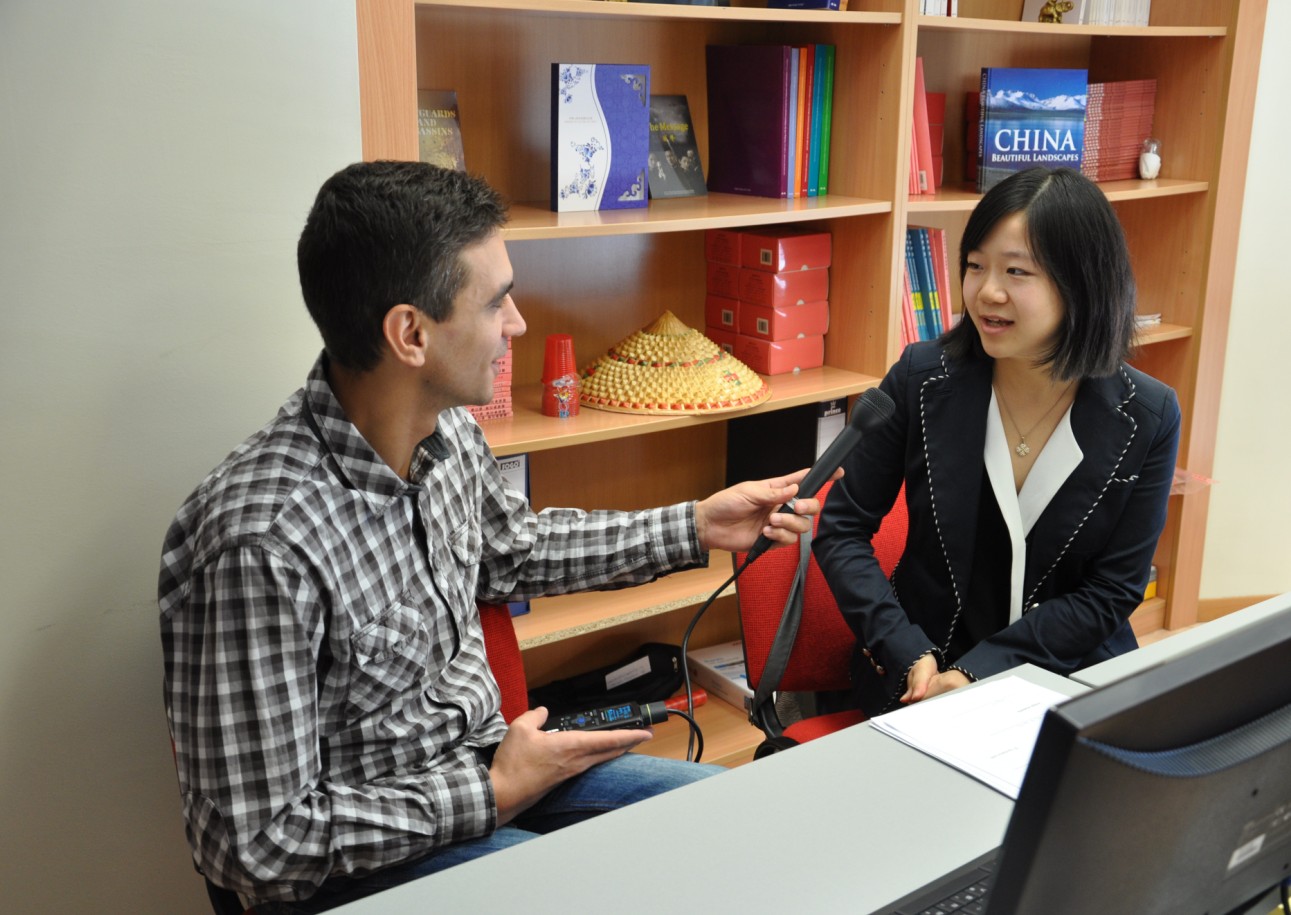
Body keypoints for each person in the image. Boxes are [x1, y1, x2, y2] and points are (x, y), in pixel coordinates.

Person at [159, 160, 827, 912]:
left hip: (496, 768)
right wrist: (489, 793)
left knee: (732, 820)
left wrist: (697, 525)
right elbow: (257, 846)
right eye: (495, 302)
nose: (517, 324)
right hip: (361, 861)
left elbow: (512, 551)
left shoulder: (447, 434)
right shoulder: (260, 544)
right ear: (410, 334)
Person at [814, 166, 1181, 718]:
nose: (987, 291)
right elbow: (842, 528)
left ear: (1082, 282)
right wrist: (905, 646)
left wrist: (980, 672)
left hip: (1064, 680)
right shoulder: (921, 378)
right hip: (921, 676)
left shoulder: (1147, 415)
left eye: (1016, 271)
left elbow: (1112, 590)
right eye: (975, 265)